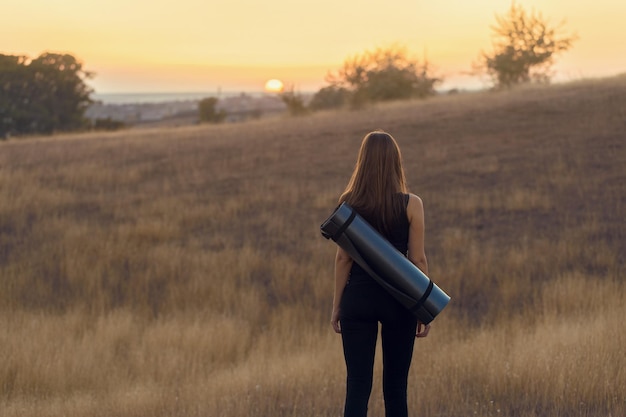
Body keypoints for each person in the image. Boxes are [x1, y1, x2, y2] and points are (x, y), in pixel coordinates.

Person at [330, 130, 431, 417]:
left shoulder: (348, 203)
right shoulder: (412, 204)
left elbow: (342, 259)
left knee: (358, 387)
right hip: (399, 301)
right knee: (396, 389)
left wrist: (337, 306)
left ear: (362, 162)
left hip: (358, 300)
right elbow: (418, 259)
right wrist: (424, 308)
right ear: (395, 163)